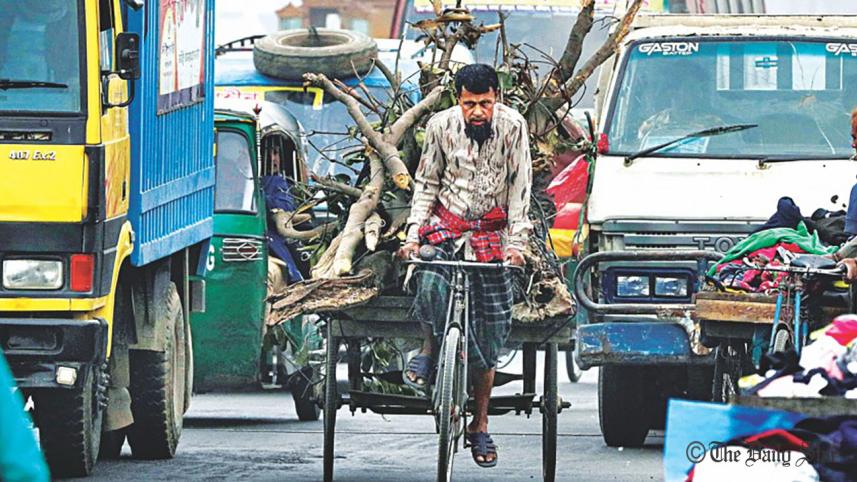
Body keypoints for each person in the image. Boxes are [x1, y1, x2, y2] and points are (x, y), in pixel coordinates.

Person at [396, 64, 532, 468]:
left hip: (492, 235)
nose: (477, 112)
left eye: (485, 103)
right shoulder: (440, 126)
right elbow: (427, 184)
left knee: (489, 337)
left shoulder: (513, 127)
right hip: (447, 226)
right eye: (470, 103)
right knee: (427, 277)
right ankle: (429, 348)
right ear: (458, 99)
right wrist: (413, 235)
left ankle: (480, 423)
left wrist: (517, 246)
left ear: (496, 99)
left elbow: (520, 188)